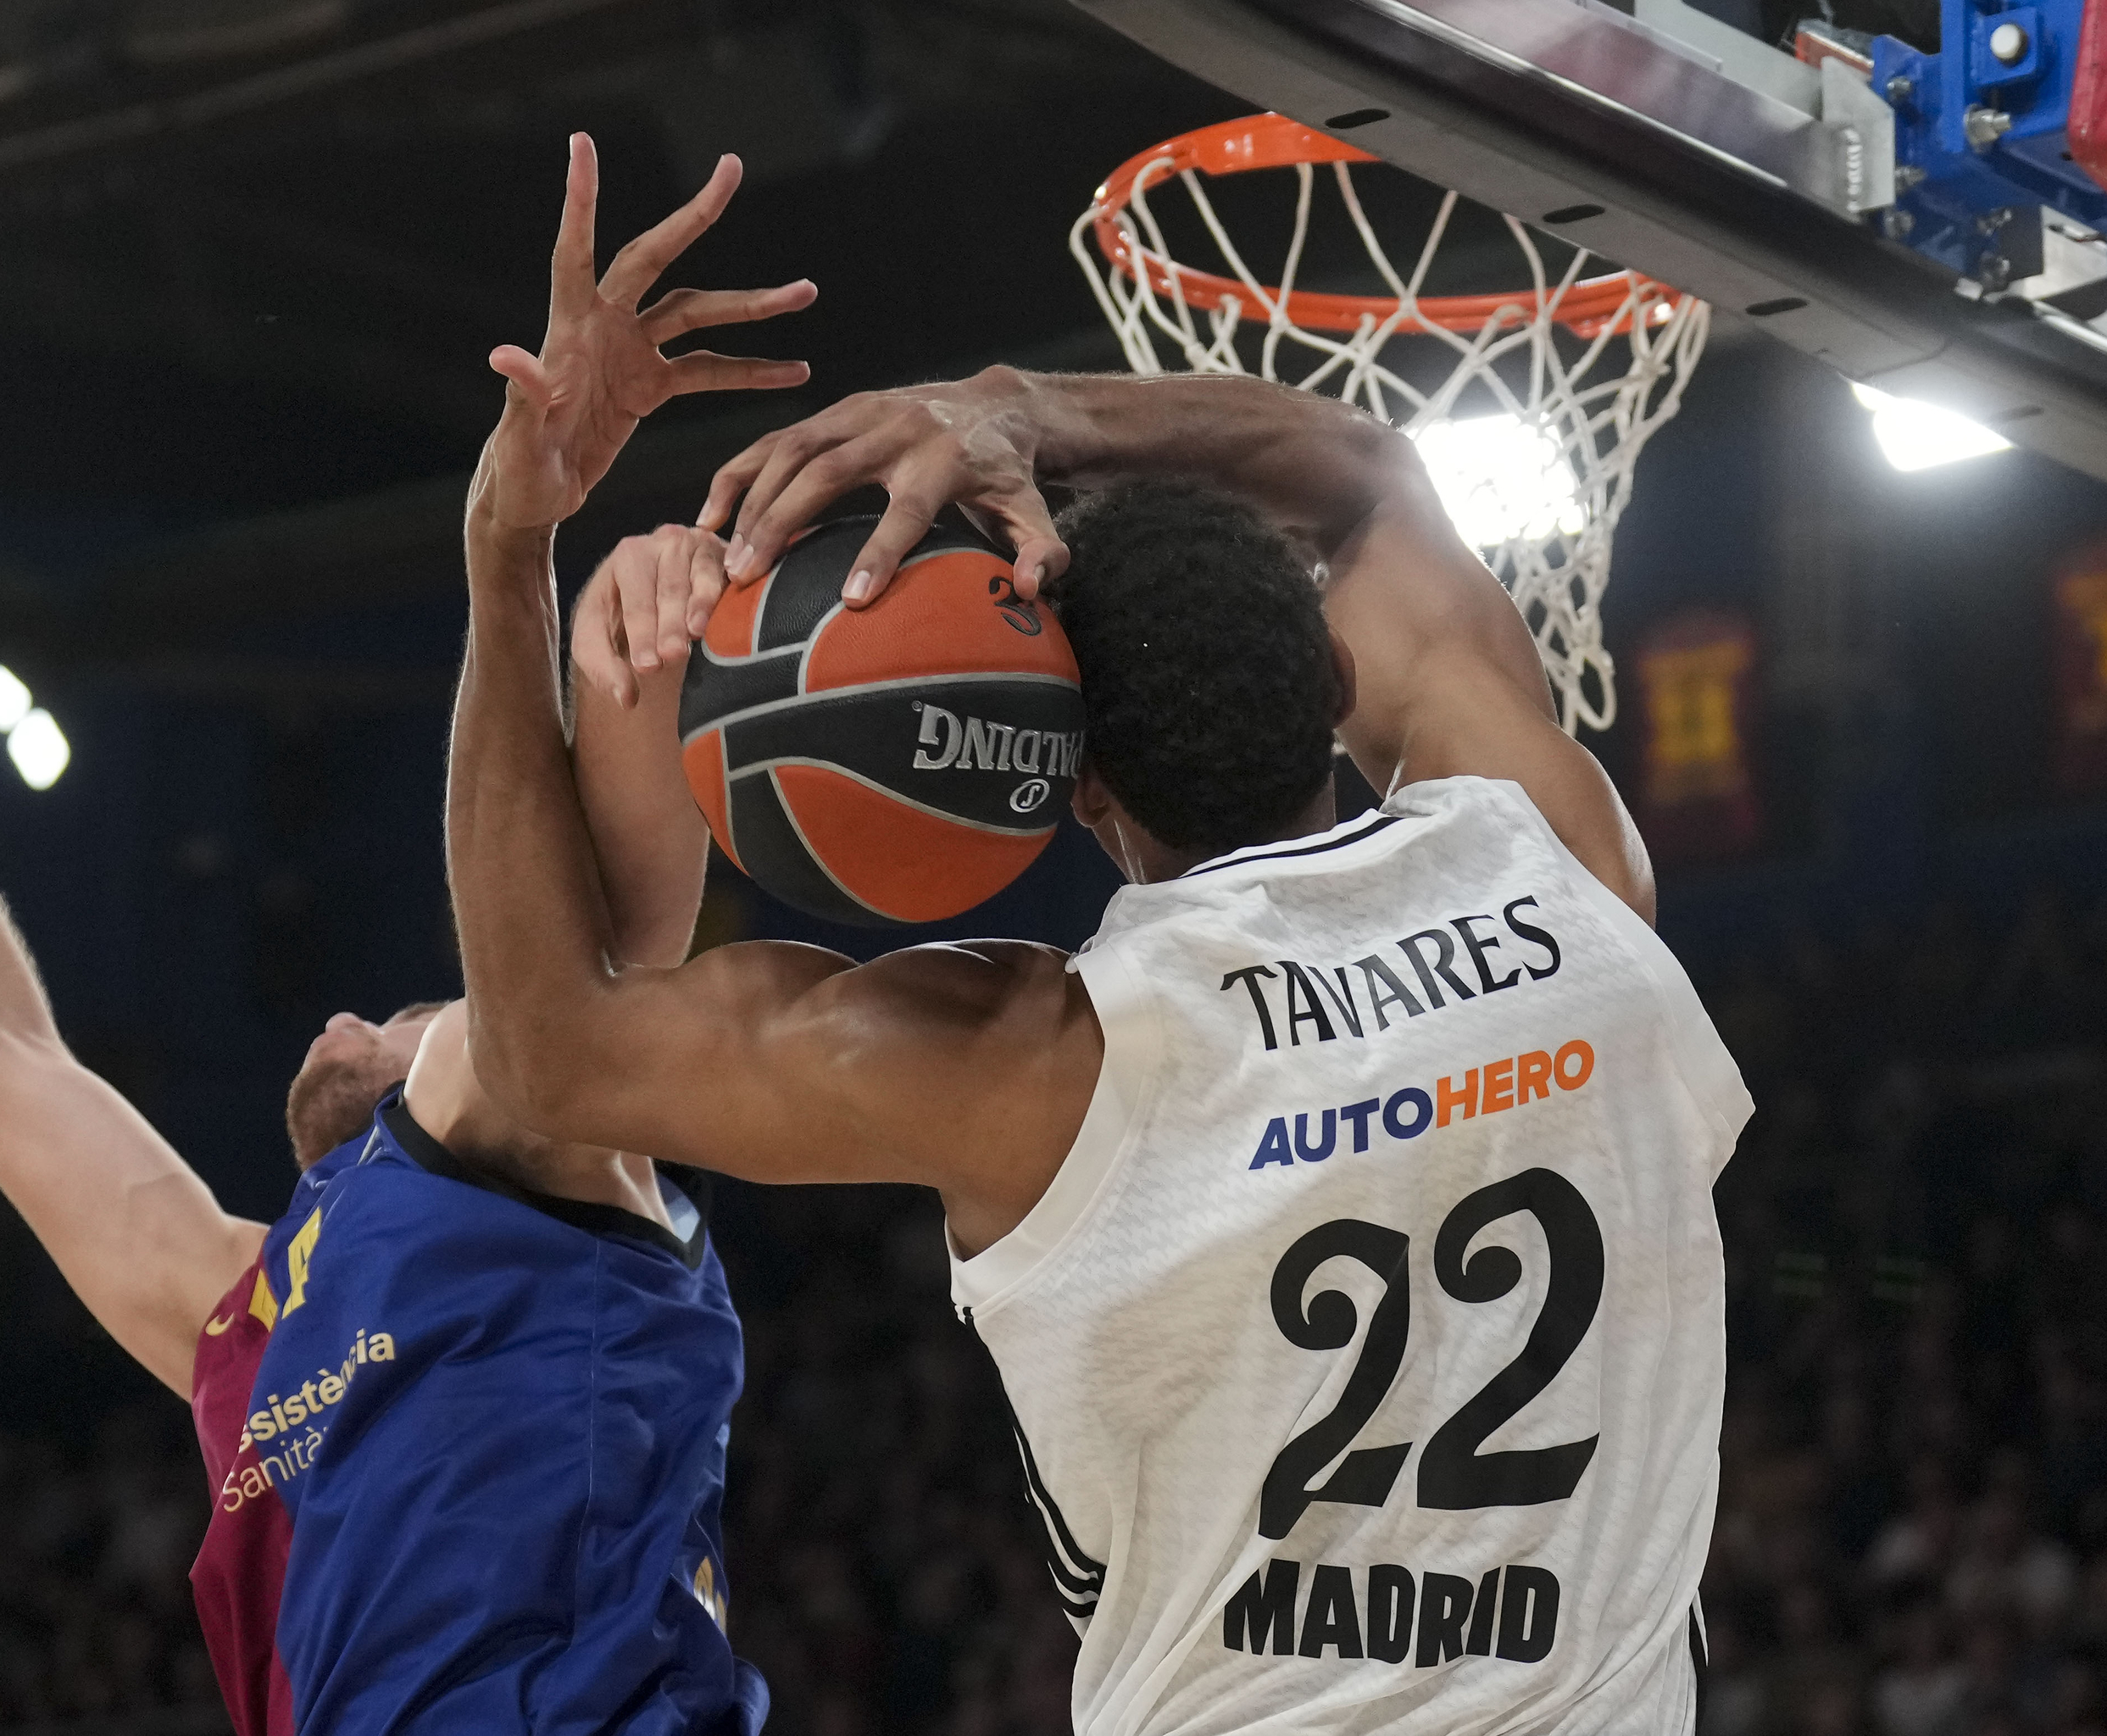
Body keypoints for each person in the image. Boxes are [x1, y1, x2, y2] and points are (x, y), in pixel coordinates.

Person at [451, 132, 1750, 1734]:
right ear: (1337, 691)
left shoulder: (1044, 1063)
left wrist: (511, 549)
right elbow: (1375, 478)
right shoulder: (1567, 875)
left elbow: (550, 1049)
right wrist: (1012, 410)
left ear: (1067, 793)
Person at [0, 175, 811, 1733]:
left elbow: (583, 973)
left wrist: (582, 608)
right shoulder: (253, 1313)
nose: (345, 1015)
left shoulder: (526, 1143)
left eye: (401, 1011)